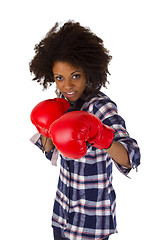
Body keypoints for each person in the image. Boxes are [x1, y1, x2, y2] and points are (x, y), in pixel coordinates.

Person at [29, 21, 140, 240]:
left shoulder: (101, 107)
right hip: (62, 215)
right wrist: (46, 128)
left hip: (91, 222)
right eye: (60, 78)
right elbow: (51, 151)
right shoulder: (61, 103)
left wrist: (102, 136)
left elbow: (131, 157)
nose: (67, 86)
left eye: (75, 76)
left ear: (88, 72)